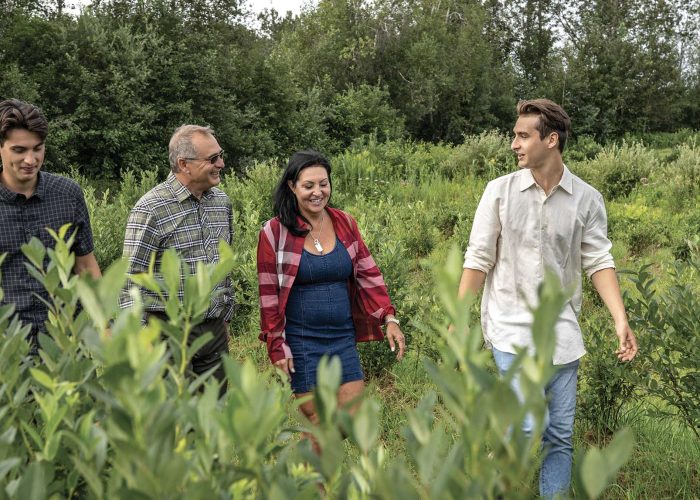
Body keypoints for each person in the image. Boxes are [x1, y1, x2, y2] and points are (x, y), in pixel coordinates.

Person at [459, 99, 638, 497]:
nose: (514, 144)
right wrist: (458, 314)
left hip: (562, 334)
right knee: (526, 426)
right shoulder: (499, 192)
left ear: (551, 140)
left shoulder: (586, 199)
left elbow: (598, 260)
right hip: (510, 328)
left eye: (523, 136)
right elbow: (479, 257)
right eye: (515, 135)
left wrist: (619, 319)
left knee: (558, 434)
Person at [257, 150, 405, 425]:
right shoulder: (275, 232)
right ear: (292, 187)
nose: (318, 192)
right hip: (301, 341)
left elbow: (368, 273)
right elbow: (269, 296)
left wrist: (389, 316)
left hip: (342, 338)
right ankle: (307, 467)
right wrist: (276, 345)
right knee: (317, 419)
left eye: (323, 184)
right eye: (308, 185)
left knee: (350, 417)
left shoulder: (344, 223)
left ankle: (313, 463)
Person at [120, 124, 233, 388]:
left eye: (220, 155)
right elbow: (129, 282)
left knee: (213, 418)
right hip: (166, 331)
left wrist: (224, 315)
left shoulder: (221, 202)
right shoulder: (151, 208)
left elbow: (224, 264)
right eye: (213, 158)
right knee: (173, 420)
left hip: (212, 330)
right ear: (184, 164)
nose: (222, 163)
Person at [0, 98, 101, 354]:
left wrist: (107, 324)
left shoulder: (68, 194)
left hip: (65, 340)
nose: (31, 159)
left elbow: (85, 265)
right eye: (19, 150)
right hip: (8, 347)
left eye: (38, 148)